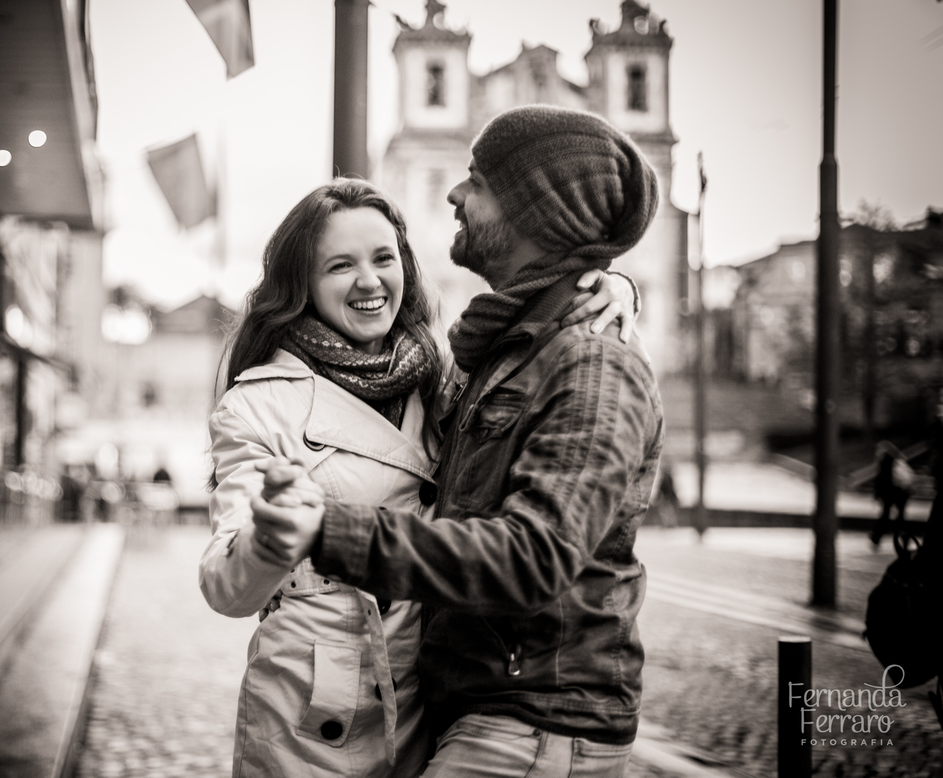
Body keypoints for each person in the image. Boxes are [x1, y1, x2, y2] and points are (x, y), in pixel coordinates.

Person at [251, 105, 664, 778]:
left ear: (536, 209)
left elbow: (535, 555)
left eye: (477, 180)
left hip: (533, 726)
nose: (454, 193)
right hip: (476, 712)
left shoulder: (590, 362)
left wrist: (329, 531)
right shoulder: (498, 351)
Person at [870, 440, 912, 548]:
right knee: (901, 517)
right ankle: (905, 539)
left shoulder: (885, 461)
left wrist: (877, 494)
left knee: (885, 516)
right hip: (903, 492)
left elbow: (881, 479)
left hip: (890, 493)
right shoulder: (898, 460)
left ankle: (876, 538)